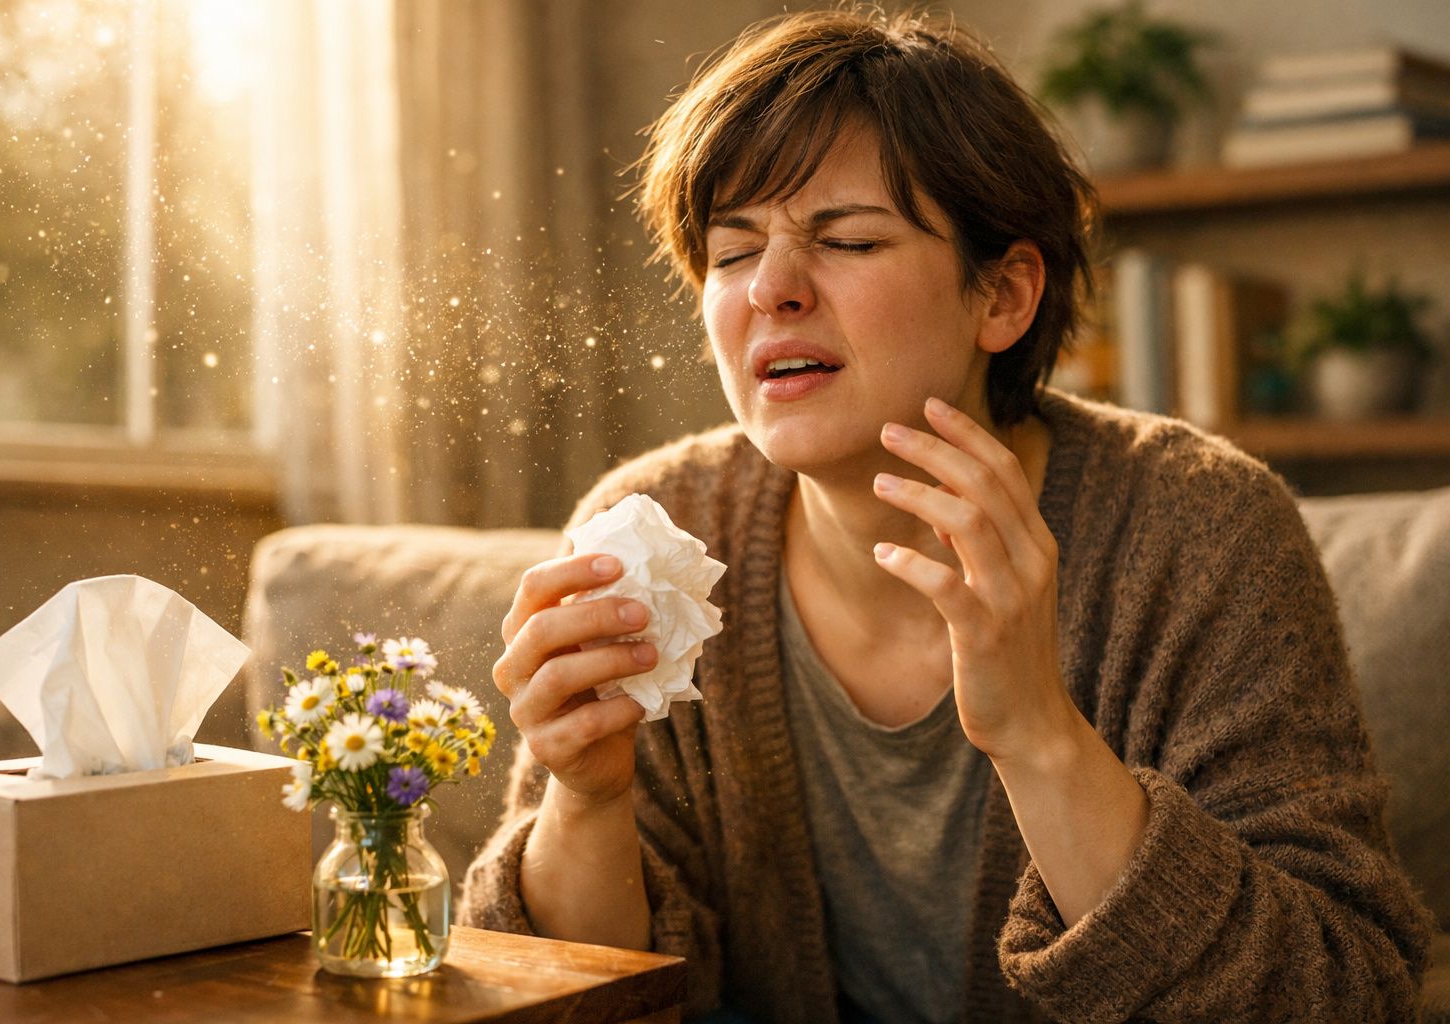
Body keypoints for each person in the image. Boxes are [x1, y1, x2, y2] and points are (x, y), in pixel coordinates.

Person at [460, 9, 1432, 1022]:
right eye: (734, 252)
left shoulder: (1202, 527)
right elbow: (575, 1003)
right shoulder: (654, 528)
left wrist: (1039, 735)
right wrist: (586, 799)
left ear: (1004, 295)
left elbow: (1344, 988)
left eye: (846, 239)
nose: (773, 291)